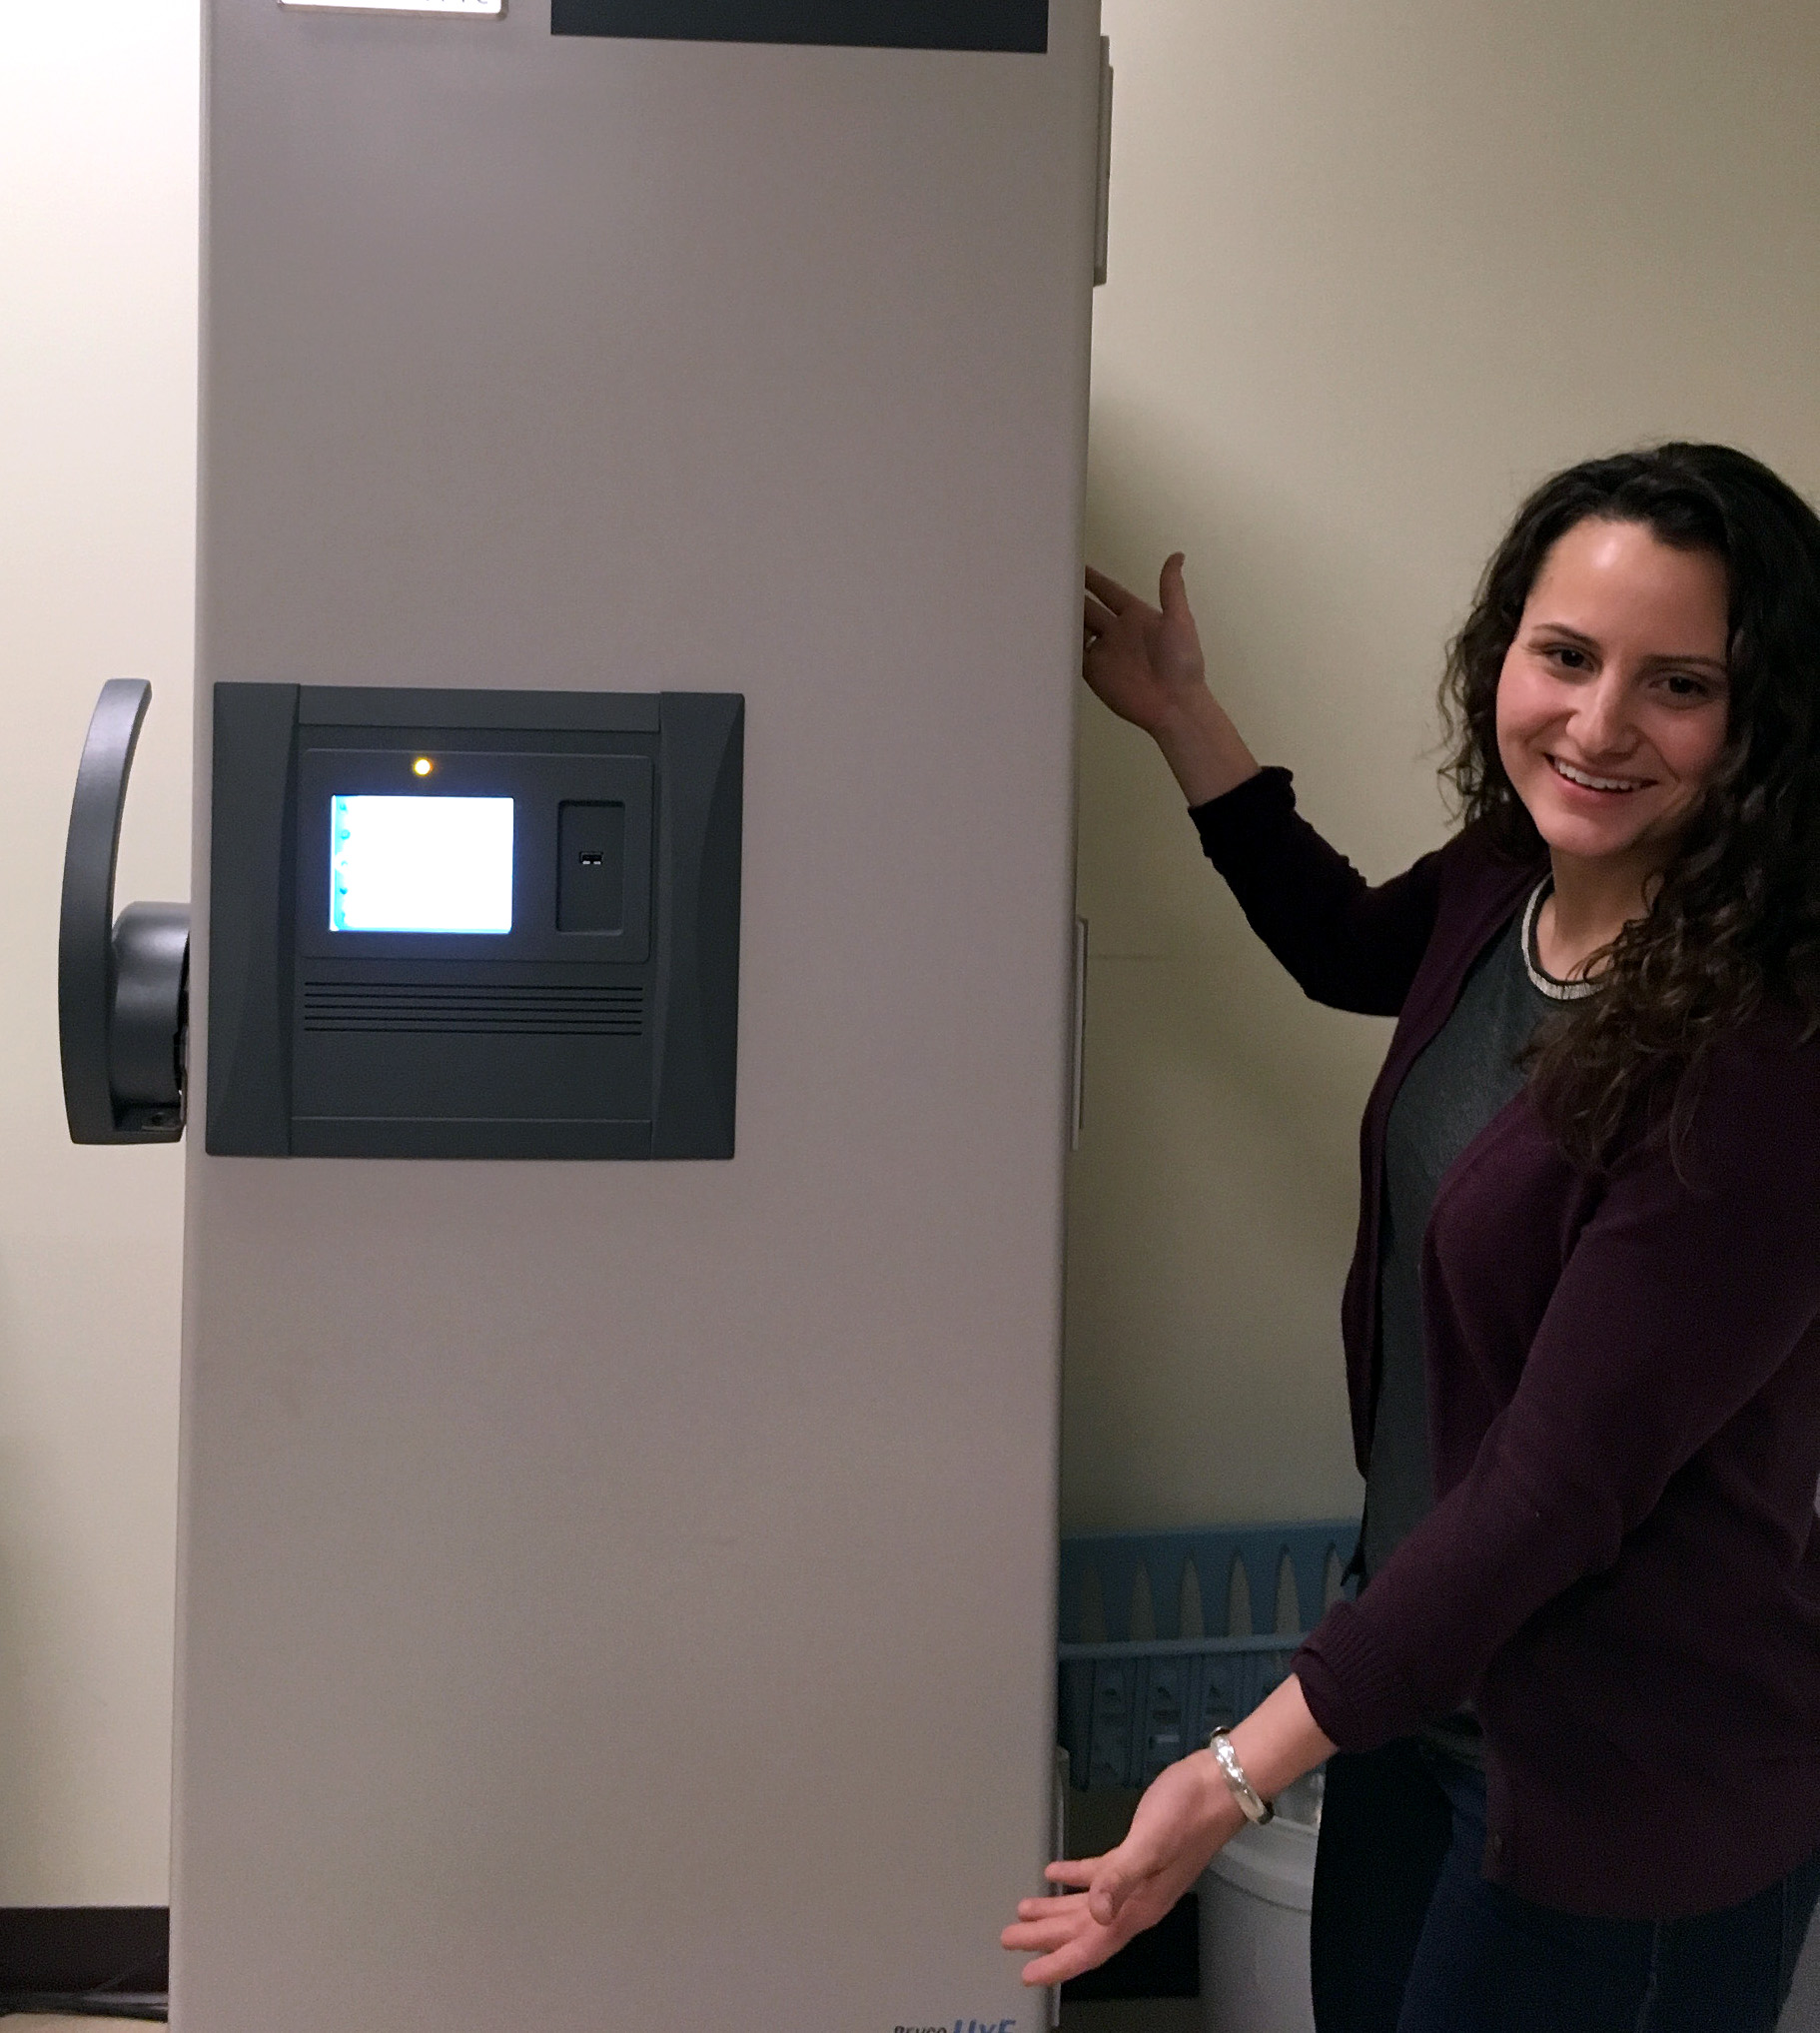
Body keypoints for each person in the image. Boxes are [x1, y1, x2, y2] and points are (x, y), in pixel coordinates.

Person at [1002, 444, 1820, 2032]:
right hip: (1412, 1692)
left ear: (1764, 723)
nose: (1593, 726)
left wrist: (1226, 1774)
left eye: (1677, 685)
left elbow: (1552, 1488)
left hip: (1621, 1778)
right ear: (1501, 648)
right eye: (1563, 656)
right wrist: (1184, 719)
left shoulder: (1757, 1056)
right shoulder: (1518, 871)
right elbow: (1344, 946)